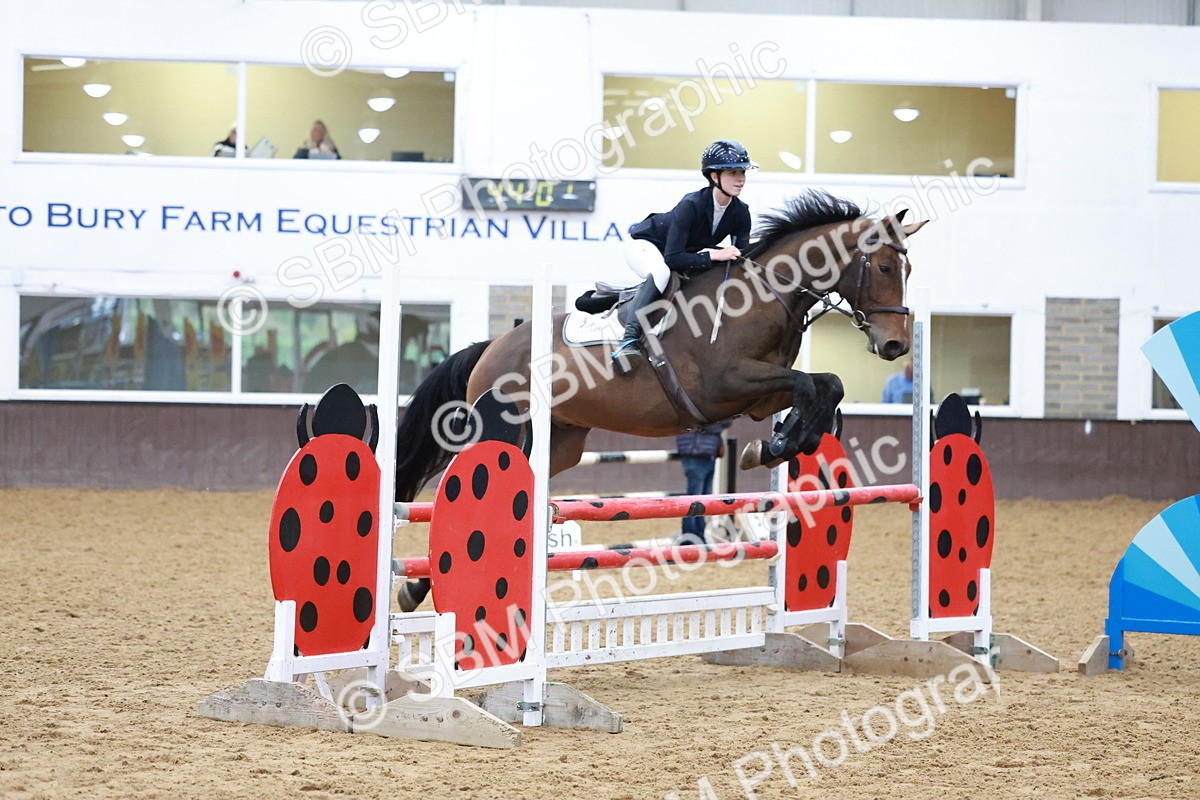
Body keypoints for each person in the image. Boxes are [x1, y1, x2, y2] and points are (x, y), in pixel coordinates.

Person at [610, 139, 756, 374]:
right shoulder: (691, 205)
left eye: (742, 172)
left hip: (680, 253)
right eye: (733, 173)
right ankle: (628, 342)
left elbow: (741, 259)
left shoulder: (741, 212)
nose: (740, 179)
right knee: (661, 273)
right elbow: (673, 259)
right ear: (714, 176)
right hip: (645, 245)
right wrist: (716, 254)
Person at [676, 421, 731, 545]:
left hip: (705, 451)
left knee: (701, 500)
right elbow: (709, 423)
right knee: (695, 500)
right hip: (698, 450)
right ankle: (690, 538)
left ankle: (697, 536)